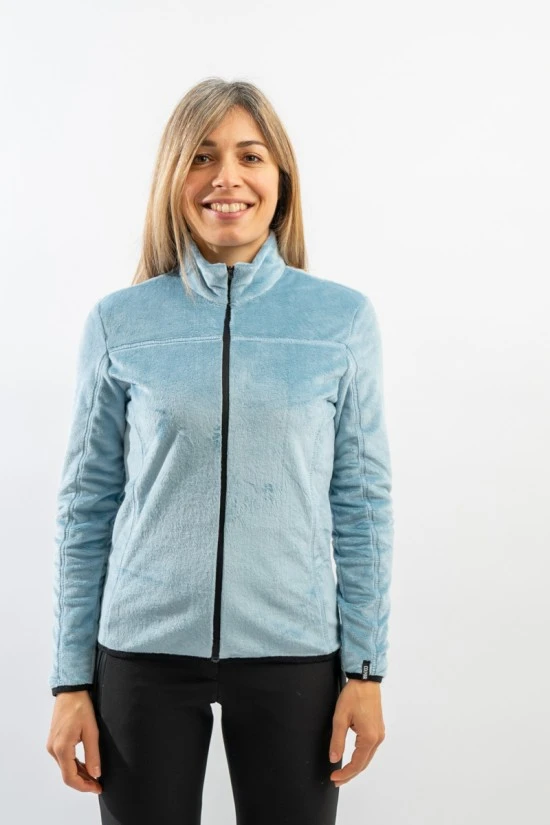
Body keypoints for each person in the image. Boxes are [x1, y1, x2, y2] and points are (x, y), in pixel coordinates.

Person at [45, 77, 394, 825]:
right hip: (141, 653)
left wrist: (365, 670)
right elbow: (86, 506)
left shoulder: (339, 321)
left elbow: (362, 506)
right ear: (174, 177)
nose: (225, 177)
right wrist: (70, 681)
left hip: (294, 651)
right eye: (201, 156)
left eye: (249, 156)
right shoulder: (119, 323)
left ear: (281, 178)